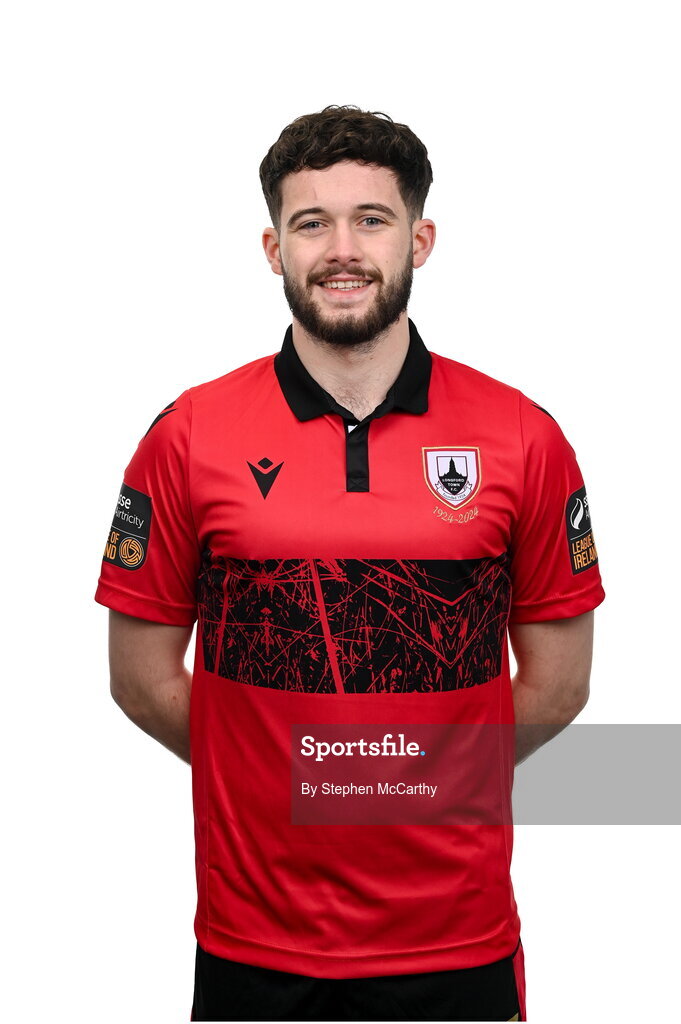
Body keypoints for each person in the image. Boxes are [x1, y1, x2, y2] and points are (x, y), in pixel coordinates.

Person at [95, 104, 604, 1022]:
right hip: (253, 943)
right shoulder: (187, 436)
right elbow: (140, 680)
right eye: (310, 223)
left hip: (457, 939)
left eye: (371, 219)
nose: (342, 250)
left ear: (419, 239)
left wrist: (407, 781)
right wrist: (272, 778)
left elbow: (558, 687)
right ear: (272, 248)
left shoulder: (524, 437)